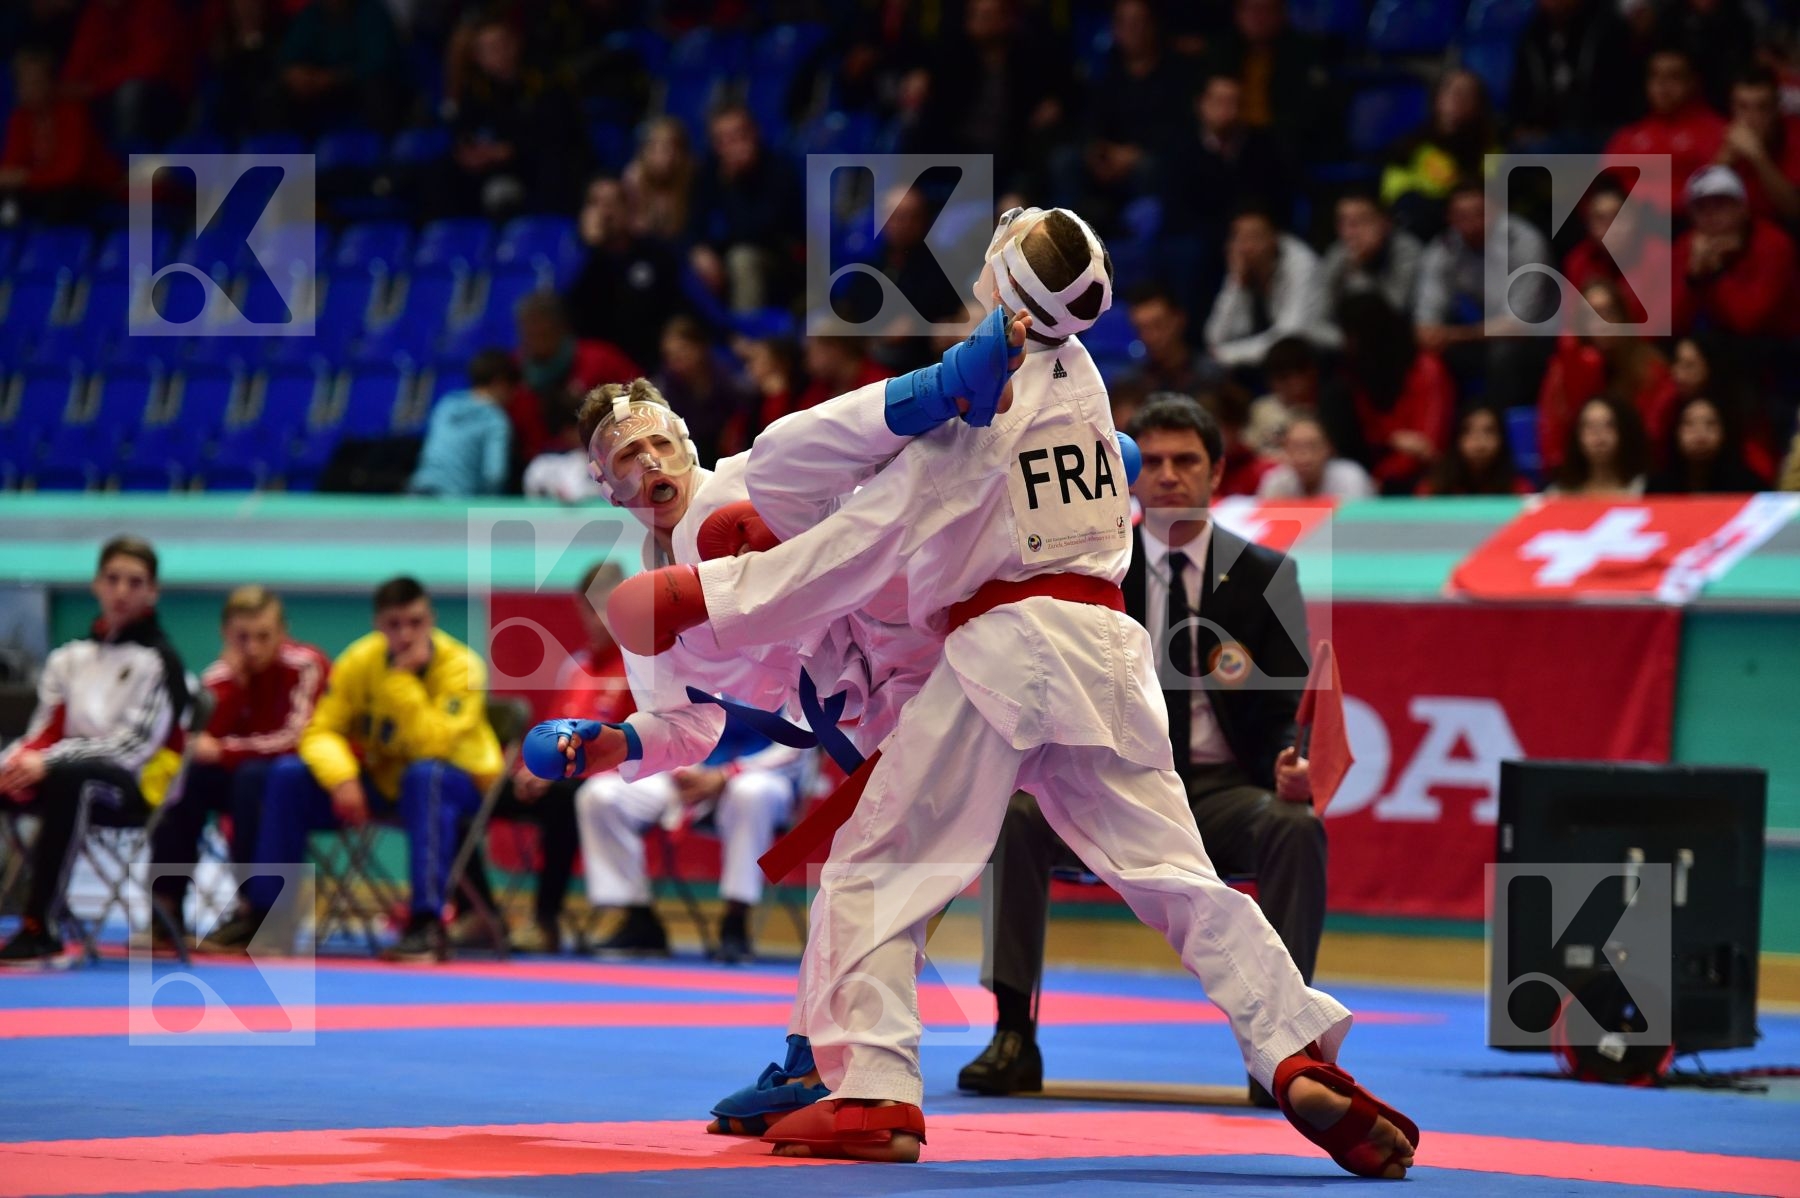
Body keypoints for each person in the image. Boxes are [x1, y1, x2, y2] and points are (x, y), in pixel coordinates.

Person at [608, 207, 1418, 1176]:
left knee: (876, 867)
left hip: (1006, 650)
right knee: (1181, 881)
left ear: (1007, 279)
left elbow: (857, 549)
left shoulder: (977, 413)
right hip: (1111, 654)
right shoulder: (1083, 384)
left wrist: (706, 592)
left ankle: (871, 1089)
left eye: (1007, 238)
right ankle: (1290, 1048)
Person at [962, 396, 1329, 1109]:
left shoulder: (1265, 577)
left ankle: (1285, 1049)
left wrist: (1292, 759)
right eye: (1151, 461)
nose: (1166, 476)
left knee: (1295, 826)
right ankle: (1011, 1032)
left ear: (1218, 470)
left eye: (1184, 460)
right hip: (1100, 785)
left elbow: (1287, 710)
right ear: (1126, 475)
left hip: (1219, 794)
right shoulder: (1084, 563)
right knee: (1015, 815)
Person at [201, 577, 504, 963]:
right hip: (383, 782)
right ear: (379, 623)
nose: (406, 634)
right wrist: (342, 778)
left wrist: (400, 682)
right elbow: (320, 730)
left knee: (424, 775)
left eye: (415, 622)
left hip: (460, 786)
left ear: (431, 618)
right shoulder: (359, 661)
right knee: (288, 775)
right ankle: (268, 916)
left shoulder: (462, 666)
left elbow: (434, 744)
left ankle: (426, 923)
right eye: (395, 624)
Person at [0, 537, 188, 966]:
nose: (122, 590)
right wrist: (12, 765)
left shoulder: (160, 661)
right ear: (96, 585)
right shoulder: (70, 658)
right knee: (26, 773)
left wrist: (47, 763)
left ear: (152, 593)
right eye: (113, 579)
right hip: (66, 773)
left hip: (136, 787)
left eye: (135, 582)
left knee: (73, 780)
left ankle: (39, 928)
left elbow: (134, 748)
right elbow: (43, 731)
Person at [466, 562, 635, 953]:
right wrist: (530, 769)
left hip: (602, 780)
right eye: (589, 611)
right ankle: (478, 912)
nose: (597, 621)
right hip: (556, 775)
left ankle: (545, 921)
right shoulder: (573, 666)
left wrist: (558, 775)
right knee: (471, 791)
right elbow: (550, 731)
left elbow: (630, 745)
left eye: (606, 609)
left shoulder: (640, 667)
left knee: (563, 800)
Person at [150, 586, 328, 949]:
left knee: (254, 778)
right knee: (186, 777)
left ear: (283, 632)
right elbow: (197, 740)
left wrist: (226, 752)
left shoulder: (306, 664)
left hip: (300, 782)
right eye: (242, 638)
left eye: (264, 637)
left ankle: (257, 911)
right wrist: (232, 685)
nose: (253, 648)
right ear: (226, 636)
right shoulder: (222, 675)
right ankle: (166, 909)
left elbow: (296, 739)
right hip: (246, 779)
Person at [576, 723, 806, 961]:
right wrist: (682, 770)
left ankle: (736, 922)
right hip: (690, 775)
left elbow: (798, 744)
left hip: (762, 779)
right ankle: (637, 919)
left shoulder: (800, 685)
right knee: (600, 795)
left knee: (750, 792)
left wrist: (726, 774)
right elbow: (669, 722)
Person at [1414, 182, 1556, 410]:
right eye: (1461, 216)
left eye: (1479, 214)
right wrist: (1431, 334)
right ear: (1449, 218)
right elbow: (1425, 320)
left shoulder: (1523, 241)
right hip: (1483, 334)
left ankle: (1498, 433)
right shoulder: (1444, 248)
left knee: (1504, 355)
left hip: (1541, 335)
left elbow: (1518, 326)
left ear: (1496, 211)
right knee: (1427, 357)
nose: (1471, 224)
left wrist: (1454, 335)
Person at [1537, 278, 1677, 473]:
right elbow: (1554, 435)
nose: (1601, 322)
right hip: (1580, 476)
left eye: (1609, 312)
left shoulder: (1650, 368)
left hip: (1639, 473)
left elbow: (1653, 435)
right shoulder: (1562, 369)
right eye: (1591, 315)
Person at [1326, 293, 1454, 495]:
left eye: (1352, 337)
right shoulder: (1354, 375)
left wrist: (1382, 476)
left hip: (1416, 473)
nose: (1348, 345)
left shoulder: (1427, 370)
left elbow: (1428, 448)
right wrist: (1390, 440)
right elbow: (1367, 435)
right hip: (1372, 469)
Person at [688, 104, 803, 313]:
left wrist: (735, 184)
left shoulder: (779, 170)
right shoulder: (709, 171)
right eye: (723, 139)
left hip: (778, 259)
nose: (733, 144)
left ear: (754, 133)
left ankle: (747, 335)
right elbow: (693, 224)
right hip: (723, 257)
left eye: (739, 134)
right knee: (690, 263)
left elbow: (757, 231)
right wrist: (699, 251)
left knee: (742, 259)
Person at [565, 176, 687, 370]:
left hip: (651, 365)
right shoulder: (577, 258)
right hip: (598, 371)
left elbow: (678, 307)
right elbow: (568, 312)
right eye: (597, 204)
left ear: (629, 208)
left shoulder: (655, 253)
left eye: (613, 203)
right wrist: (592, 249)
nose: (606, 212)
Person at [510, 291, 640, 469]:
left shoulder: (600, 361)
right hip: (539, 468)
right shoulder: (513, 372)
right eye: (528, 330)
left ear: (560, 328)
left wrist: (604, 434)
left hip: (603, 462)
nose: (534, 335)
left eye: (542, 329)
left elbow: (639, 402)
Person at [1673, 164, 1800, 338]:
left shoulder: (1773, 244)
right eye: (1701, 207)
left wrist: (1716, 271)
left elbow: (1749, 322)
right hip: (1713, 342)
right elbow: (1671, 325)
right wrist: (1693, 278)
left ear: (1743, 208)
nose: (1710, 215)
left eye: (1720, 204)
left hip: (1778, 343)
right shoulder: (1685, 246)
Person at [1603, 48, 1727, 215]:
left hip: (1688, 225)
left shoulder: (1717, 132)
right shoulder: (1630, 134)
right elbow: (1602, 190)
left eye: (1674, 76)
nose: (1662, 85)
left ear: (1692, 82)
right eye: (1655, 76)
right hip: (1631, 229)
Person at [1204, 206, 1328, 373]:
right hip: (1265, 363)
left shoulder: (1302, 264)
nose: (1247, 247)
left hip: (1316, 358)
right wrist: (1236, 283)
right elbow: (1214, 337)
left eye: (1254, 236)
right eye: (1240, 238)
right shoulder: (1242, 268)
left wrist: (1227, 355)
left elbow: (1290, 338)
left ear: (1274, 236)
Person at [0, 46, 117, 221]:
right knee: (8, 199)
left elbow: (69, 172)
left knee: (60, 200)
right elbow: (13, 164)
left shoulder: (73, 114)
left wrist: (25, 178)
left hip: (84, 187)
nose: (28, 90)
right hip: (42, 189)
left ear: (51, 83)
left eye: (36, 82)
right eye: (23, 83)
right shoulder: (20, 119)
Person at [1380, 69, 1499, 239]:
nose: (1456, 98)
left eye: (1465, 93)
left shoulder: (1490, 147)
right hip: (1423, 223)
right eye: (1449, 90)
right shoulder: (1413, 144)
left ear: (1478, 104)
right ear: (1437, 98)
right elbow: (1395, 188)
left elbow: (1491, 194)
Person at [408, 349, 517, 497]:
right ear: (500, 383)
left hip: (419, 492)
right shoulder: (496, 421)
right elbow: (494, 475)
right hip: (458, 505)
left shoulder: (446, 405)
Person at [1319, 192, 1422, 319]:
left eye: (1361, 221)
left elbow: (1391, 312)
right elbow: (1320, 312)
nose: (1349, 232)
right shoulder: (1337, 252)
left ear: (1386, 223)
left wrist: (1359, 269)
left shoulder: (1406, 251)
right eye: (1343, 222)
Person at [1717, 65, 1800, 224]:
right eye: (1743, 107)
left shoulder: (1795, 135)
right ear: (1731, 108)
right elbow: (1697, 207)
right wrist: (1724, 162)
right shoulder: (1719, 132)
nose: (1752, 118)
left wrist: (1758, 157)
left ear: (1777, 109)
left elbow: (1795, 211)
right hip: (1729, 228)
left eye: (1763, 108)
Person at [1646, 395, 1768, 493]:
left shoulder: (1747, 486)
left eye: (1711, 424)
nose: (1700, 434)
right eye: (1689, 424)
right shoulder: (1658, 488)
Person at [1546, 395, 1650, 496]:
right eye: (1589, 426)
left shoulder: (1647, 489)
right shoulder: (1558, 493)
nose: (1599, 434)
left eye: (1609, 425)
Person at [1259, 414, 1377, 500]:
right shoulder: (1275, 482)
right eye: (1295, 447)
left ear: (1328, 449)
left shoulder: (1351, 478)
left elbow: (1360, 525)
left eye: (1313, 447)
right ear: (1285, 450)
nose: (1304, 457)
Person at [1420, 405, 1531, 495]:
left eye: (1489, 431)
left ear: (1502, 439)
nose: (1479, 443)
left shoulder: (1519, 491)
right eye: (1468, 431)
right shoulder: (1432, 490)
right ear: (1456, 439)